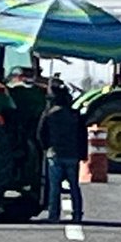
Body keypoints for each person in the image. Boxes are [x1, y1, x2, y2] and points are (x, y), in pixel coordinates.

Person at [37, 82, 85, 223]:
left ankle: (54, 215)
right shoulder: (75, 115)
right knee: (74, 186)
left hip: (55, 154)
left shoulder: (49, 114)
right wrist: (82, 154)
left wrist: (46, 148)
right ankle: (77, 214)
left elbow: (40, 134)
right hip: (73, 155)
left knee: (54, 187)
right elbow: (82, 136)